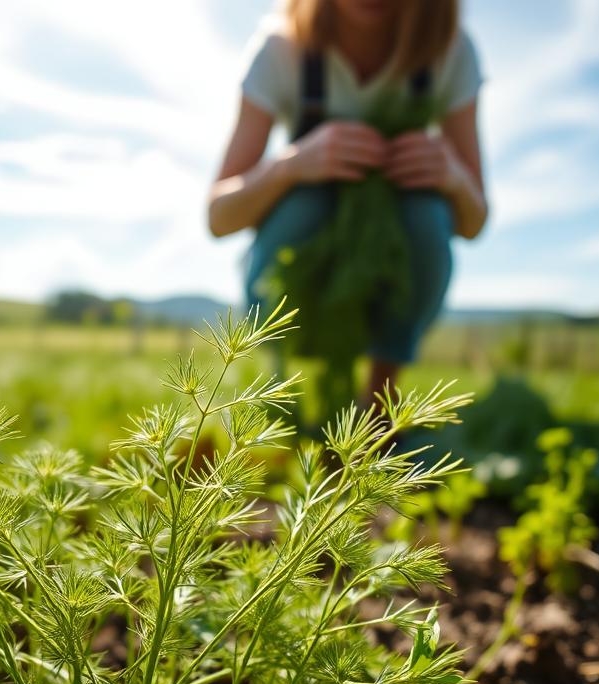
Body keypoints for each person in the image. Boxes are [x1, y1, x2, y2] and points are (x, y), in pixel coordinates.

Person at [208, 0, 488, 405]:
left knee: (427, 210)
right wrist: (291, 165)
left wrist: (454, 177)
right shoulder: (281, 49)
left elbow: (473, 222)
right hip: (305, 266)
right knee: (307, 202)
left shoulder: (449, 51)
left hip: (393, 257)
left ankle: (378, 401)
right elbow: (218, 218)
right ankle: (298, 394)